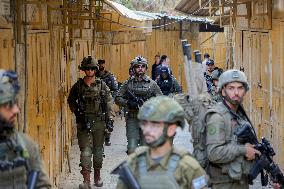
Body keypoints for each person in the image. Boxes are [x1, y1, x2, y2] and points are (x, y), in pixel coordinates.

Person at [115, 96, 208, 189]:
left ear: (171, 129)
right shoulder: (133, 163)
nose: (147, 130)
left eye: (154, 125)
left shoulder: (188, 167)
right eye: (144, 124)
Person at [205, 69, 260, 189]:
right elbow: (213, 153)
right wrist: (243, 150)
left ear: (245, 91)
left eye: (240, 88)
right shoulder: (217, 116)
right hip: (225, 184)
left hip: (240, 180)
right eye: (231, 88)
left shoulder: (239, 113)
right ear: (223, 91)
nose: (236, 92)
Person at [0, 69, 51, 188]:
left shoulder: (26, 146)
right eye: (8, 105)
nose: (16, 110)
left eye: (15, 103)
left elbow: (42, 184)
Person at [68, 56, 112, 188]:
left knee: (98, 152)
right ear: (84, 70)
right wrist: (77, 112)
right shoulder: (78, 86)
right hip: (84, 123)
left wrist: (109, 119)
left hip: (99, 123)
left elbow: (109, 102)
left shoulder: (102, 85)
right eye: (87, 69)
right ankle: (86, 180)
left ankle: (97, 177)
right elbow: (71, 100)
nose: (90, 71)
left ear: (95, 69)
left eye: (92, 68)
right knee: (86, 152)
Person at [115, 55, 162, 154]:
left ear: (146, 68)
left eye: (142, 66)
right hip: (132, 117)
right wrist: (128, 103)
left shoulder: (152, 84)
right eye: (137, 66)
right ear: (133, 68)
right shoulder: (128, 84)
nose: (140, 68)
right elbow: (118, 98)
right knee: (132, 148)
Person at [96, 59, 119, 146]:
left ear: (104, 65)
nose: (101, 65)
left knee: (109, 118)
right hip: (97, 100)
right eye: (100, 64)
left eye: (102, 64)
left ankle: (107, 138)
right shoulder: (94, 76)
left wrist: (111, 99)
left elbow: (115, 89)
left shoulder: (110, 76)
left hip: (107, 100)